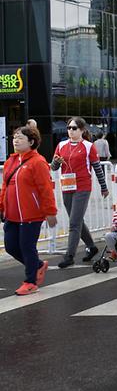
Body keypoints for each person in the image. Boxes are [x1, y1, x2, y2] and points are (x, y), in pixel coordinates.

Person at [0, 126, 57, 294]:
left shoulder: (38, 162)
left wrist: (50, 212)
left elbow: (45, 189)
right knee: (11, 246)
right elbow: (5, 186)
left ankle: (30, 281)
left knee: (27, 246)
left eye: (20, 138)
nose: (16, 141)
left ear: (31, 142)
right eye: (14, 137)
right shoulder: (11, 161)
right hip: (12, 214)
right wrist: (1, 206)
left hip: (31, 214)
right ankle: (38, 265)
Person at [52, 117, 108, 268]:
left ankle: (69, 256)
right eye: (69, 128)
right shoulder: (61, 145)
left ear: (82, 130)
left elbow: (97, 168)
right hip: (66, 186)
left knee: (74, 223)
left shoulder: (89, 146)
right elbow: (54, 167)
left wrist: (104, 187)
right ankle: (92, 246)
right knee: (76, 221)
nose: (71, 130)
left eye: (74, 128)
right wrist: (56, 161)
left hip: (82, 187)